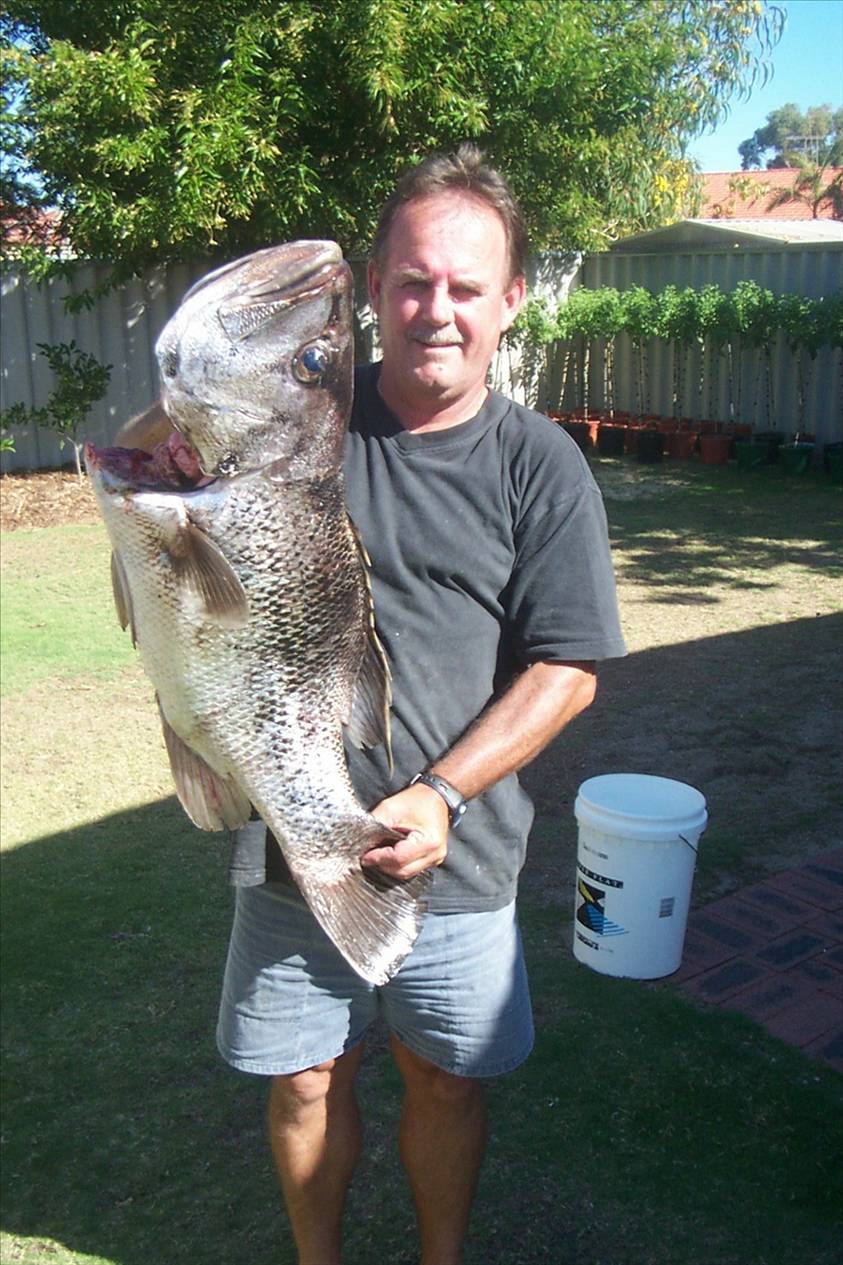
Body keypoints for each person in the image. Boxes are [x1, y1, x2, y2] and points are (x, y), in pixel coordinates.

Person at [122, 143, 626, 1265]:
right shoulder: (295, 425)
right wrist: (194, 403)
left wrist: (441, 792)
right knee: (306, 1078)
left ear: (511, 299)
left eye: (465, 286)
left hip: (460, 856)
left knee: (444, 1078)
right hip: (287, 841)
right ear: (375, 290)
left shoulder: (539, 464)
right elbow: (148, 471)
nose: (436, 309)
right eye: (412, 280)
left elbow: (569, 666)